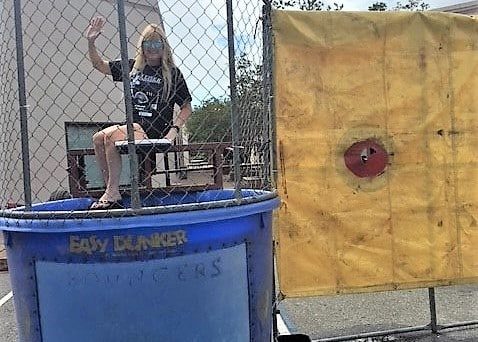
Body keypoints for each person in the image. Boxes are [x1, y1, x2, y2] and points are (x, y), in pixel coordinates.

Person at [86, 16, 192, 210]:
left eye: (156, 42)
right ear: (141, 45)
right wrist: (91, 42)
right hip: (133, 128)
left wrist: (173, 132)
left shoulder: (172, 73)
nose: (152, 47)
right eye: (147, 43)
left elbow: (187, 106)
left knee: (111, 138)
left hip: (156, 130)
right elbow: (100, 65)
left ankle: (112, 191)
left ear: (163, 45)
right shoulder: (133, 66)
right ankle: (111, 189)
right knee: (97, 138)